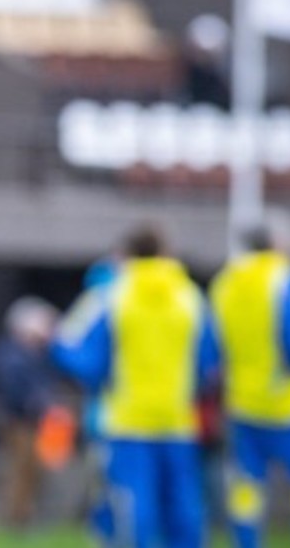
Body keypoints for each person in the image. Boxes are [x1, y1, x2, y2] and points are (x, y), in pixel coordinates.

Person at [51, 223, 219, 548]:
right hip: (176, 420)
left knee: (131, 509)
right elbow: (209, 360)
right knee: (183, 511)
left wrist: (99, 380)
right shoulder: (189, 297)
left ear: (126, 254)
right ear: (166, 253)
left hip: (127, 422)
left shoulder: (112, 295)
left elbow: (75, 351)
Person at [211, 213, 290, 548]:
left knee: (246, 487)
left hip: (242, 403)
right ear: (276, 241)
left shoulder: (226, 282)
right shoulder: (282, 279)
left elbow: (213, 343)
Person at [0, 295, 60, 528]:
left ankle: (24, 514)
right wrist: (36, 403)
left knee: (32, 468)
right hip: (19, 420)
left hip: (33, 421)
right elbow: (16, 388)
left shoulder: (33, 354)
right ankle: (15, 516)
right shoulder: (13, 354)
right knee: (20, 468)